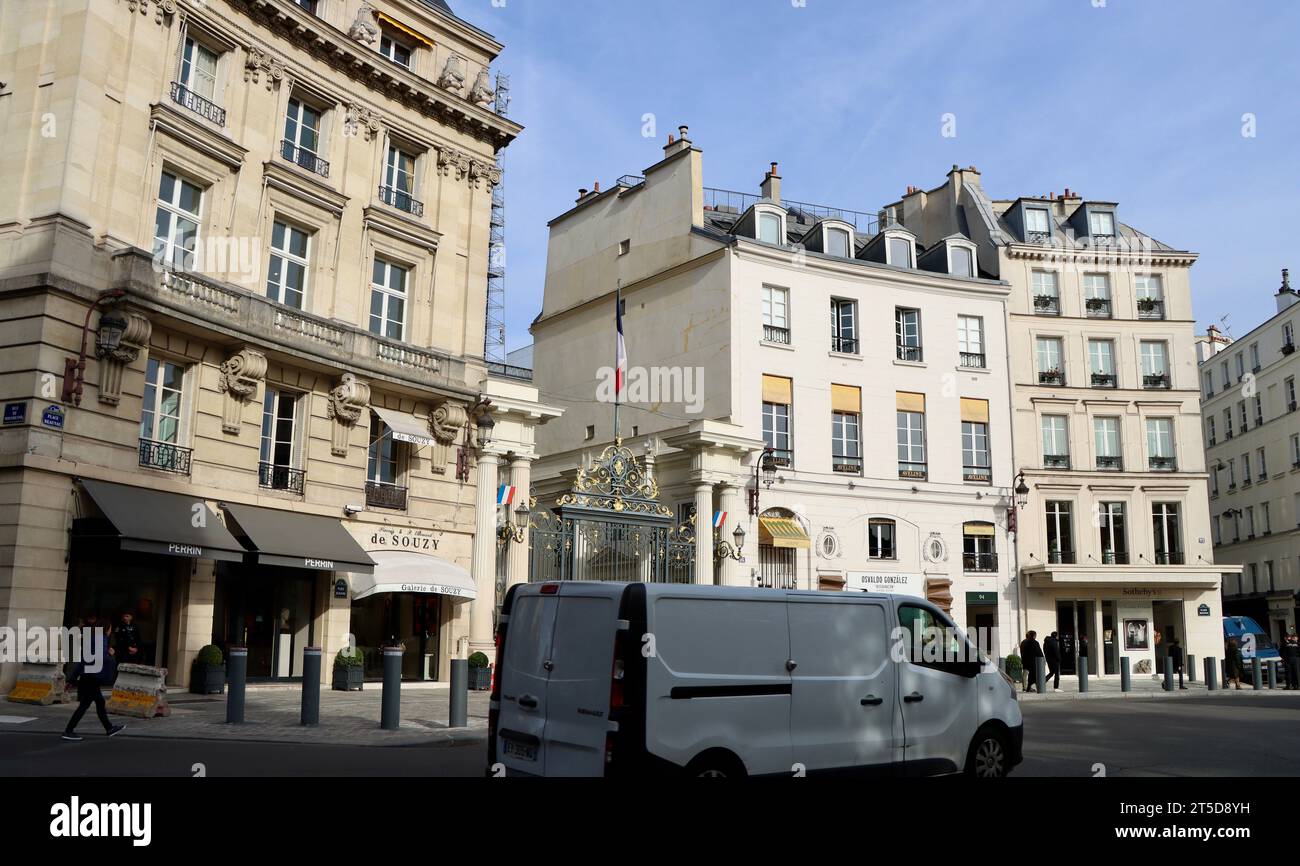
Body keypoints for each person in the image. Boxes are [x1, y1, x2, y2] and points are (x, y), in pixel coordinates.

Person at [63, 616, 125, 741]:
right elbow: (101, 659)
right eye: (110, 629)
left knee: (98, 702)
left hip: (88, 676)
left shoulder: (92, 639)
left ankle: (109, 728)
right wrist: (111, 655)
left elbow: (82, 662)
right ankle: (68, 731)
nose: (110, 631)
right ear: (106, 629)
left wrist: (71, 679)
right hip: (92, 677)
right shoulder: (101, 640)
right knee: (85, 705)